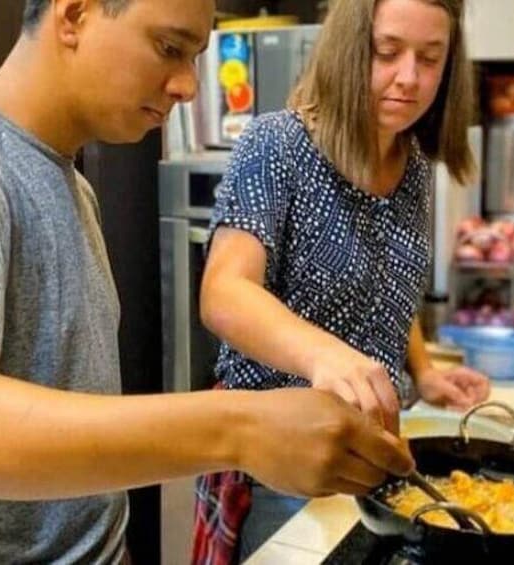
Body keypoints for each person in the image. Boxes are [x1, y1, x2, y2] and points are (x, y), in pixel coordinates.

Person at [0, 0, 416, 563]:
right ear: (73, 15)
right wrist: (241, 428)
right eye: (169, 48)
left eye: (195, 57)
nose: (188, 87)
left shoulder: (71, 185)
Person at [193, 0, 489, 561]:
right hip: (282, 466)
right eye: (387, 52)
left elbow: (387, 287)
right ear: (351, 48)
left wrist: (423, 373)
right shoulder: (277, 146)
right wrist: (328, 357)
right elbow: (224, 292)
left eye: (431, 58)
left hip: (374, 456)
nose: (409, 77)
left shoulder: (415, 168)